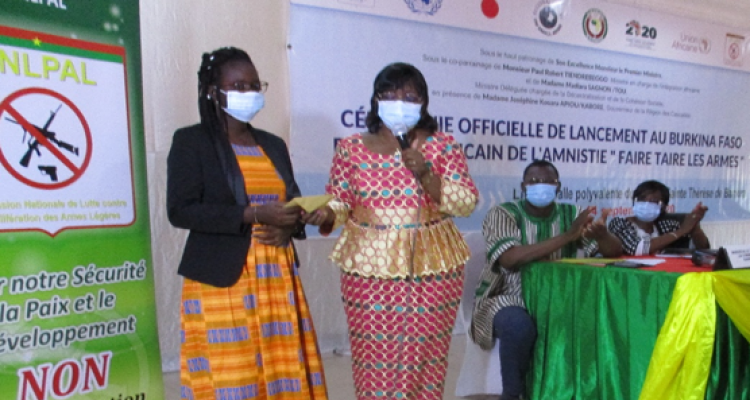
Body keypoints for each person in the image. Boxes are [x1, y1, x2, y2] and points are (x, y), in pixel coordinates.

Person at [304, 62, 478, 400]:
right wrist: (325, 212)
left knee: (424, 360)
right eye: (390, 94)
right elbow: (341, 202)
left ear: (424, 102)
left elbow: (466, 202)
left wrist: (428, 175)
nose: (399, 101)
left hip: (432, 269)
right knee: (375, 359)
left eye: (409, 95)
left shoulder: (443, 147)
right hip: (368, 269)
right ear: (375, 100)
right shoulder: (351, 148)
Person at [167, 47, 327, 400]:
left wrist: (294, 220)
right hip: (223, 280)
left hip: (276, 276)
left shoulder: (272, 144)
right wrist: (252, 214)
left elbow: (291, 199)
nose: (250, 93)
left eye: (255, 85)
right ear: (214, 91)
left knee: (282, 372)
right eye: (238, 85)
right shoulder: (191, 142)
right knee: (233, 376)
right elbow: (181, 210)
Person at [469, 160, 622, 400]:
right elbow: (510, 259)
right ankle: (512, 395)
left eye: (547, 182)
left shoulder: (572, 213)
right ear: (523, 186)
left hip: (560, 297)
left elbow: (613, 253)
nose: (541, 186)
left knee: (601, 319)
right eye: (534, 181)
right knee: (518, 326)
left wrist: (603, 235)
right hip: (507, 295)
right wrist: (568, 236)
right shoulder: (503, 213)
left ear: (558, 186)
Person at [608, 180, 710, 255]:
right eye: (642, 199)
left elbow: (703, 248)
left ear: (663, 207)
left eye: (653, 201)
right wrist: (682, 230)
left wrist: (694, 225)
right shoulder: (619, 223)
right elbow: (637, 249)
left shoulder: (666, 225)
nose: (646, 204)